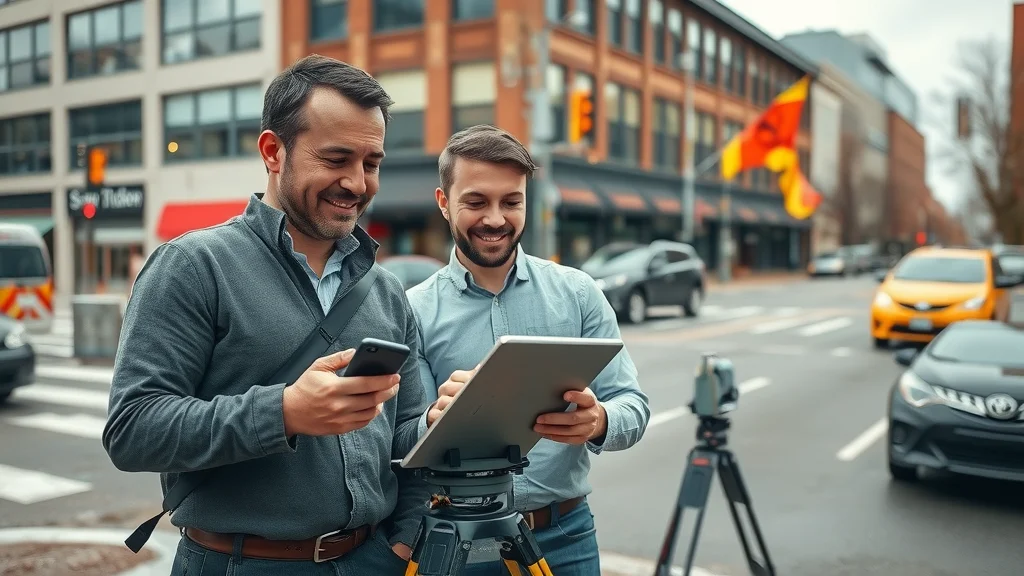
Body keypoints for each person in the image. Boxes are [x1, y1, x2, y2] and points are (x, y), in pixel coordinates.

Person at [102, 54, 430, 575]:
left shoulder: (387, 291)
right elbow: (133, 430)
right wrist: (284, 413)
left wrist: (406, 536)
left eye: (371, 164)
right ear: (273, 151)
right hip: (240, 564)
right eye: (336, 158)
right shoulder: (193, 266)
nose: (357, 182)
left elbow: (407, 433)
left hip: (373, 560)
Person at [405, 125, 650, 575]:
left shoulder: (578, 294)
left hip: (563, 537)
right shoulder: (413, 311)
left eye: (511, 202)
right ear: (444, 202)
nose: (495, 219)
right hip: (453, 541)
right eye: (476, 202)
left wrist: (598, 422)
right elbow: (401, 438)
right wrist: (433, 420)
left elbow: (634, 407)